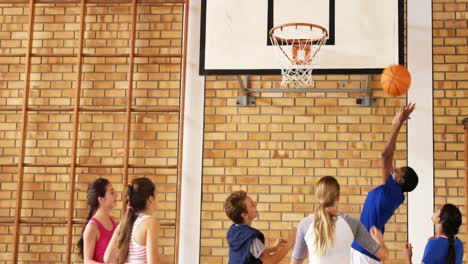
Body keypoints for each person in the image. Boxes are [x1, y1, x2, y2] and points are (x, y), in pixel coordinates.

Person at [351, 103, 419, 263]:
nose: (395, 169)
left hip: (365, 250)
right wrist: (396, 123)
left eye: (399, 170)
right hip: (362, 247)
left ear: (400, 180)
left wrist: (398, 124)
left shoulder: (392, 192)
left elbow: (385, 155)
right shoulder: (393, 190)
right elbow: (389, 154)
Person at [290, 176, 389, 263]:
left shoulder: (305, 224)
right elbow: (384, 255)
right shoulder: (351, 224)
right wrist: (379, 240)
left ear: (318, 197)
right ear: (338, 197)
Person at [224, 190, 297, 264]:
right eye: (252, 205)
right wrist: (289, 243)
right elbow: (270, 261)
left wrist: (273, 248)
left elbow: (251, 252)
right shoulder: (251, 236)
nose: (255, 205)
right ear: (244, 215)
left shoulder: (233, 230)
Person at [104, 177, 161, 264]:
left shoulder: (123, 223)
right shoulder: (150, 223)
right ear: (150, 199)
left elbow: (107, 259)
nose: (158, 200)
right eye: (156, 195)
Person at [77, 178, 118, 264]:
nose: (116, 195)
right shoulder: (92, 227)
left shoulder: (113, 222)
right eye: (112, 192)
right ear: (101, 199)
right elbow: (87, 261)